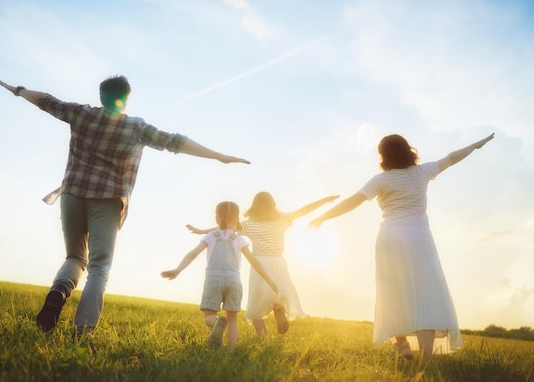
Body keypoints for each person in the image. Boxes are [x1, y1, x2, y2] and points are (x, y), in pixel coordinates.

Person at [0, 76, 250, 335]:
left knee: (75, 257)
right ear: (126, 98)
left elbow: (46, 101)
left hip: (73, 194)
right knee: (99, 267)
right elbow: (176, 142)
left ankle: (58, 294)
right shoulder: (136, 128)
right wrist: (218, 156)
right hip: (108, 201)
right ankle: (82, 332)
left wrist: (19, 90)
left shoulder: (80, 114)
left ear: (101, 95)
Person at [309, 133, 495, 362]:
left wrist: (323, 217)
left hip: (391, 237)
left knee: (394, 290)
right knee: (426, 292)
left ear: (383, 156)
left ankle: (402, 344)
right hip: (419, 237)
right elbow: (452, 158)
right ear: (409, 150)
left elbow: (353, 202)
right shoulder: (423, 172)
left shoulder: (381, 180)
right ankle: (426, 356)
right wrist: (475, 145)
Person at [187, 192, 339, 340]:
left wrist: (201, 231)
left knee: (256, 308)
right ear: (272, 204)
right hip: (278, 262)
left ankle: (263, 340)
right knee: (278, 293)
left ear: (254, 206)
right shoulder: (283, 219)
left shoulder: (248, 225)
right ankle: (279, 308)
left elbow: (224, 227)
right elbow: (304, 210)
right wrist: (324, 200)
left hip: (259, 263)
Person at [161, 201, 278, 351]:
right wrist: (269, 279)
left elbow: (193, 254)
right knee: (232, 318)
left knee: (209, 316)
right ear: (236, 219)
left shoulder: (211, 236)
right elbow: (254, 261)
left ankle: (216, 322)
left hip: (213, 279)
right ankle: (229, 352)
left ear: (217, 219)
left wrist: (177, 270)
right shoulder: (239, 239)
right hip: (234, 281)